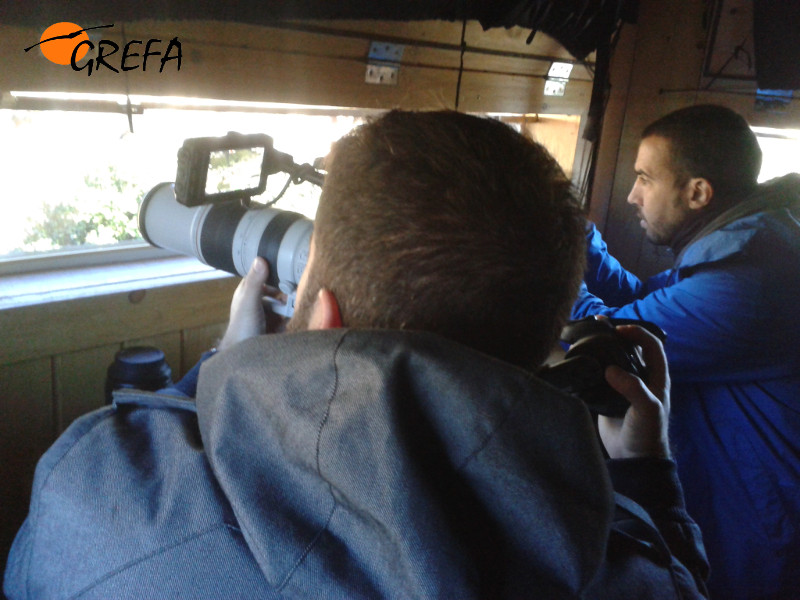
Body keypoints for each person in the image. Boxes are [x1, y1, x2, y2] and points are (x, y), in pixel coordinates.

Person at [5, 110, 708, 598]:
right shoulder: (614, 572)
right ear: (541, 344)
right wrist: (646, 478)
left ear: (324, 316)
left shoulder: (94, 485)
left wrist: (224, 366)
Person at [571, 104, 800, 599]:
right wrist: (582, 240)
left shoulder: (748, 282)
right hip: (741, 504)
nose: (632, 195)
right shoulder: (741, 248)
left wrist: (548, 258)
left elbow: (614, 338)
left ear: (697, 192)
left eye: (644, 179)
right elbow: (639, 300)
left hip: (758, 529)